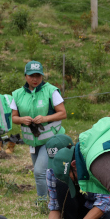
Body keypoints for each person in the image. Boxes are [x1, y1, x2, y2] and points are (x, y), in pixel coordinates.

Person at [40, 134, 110, 219]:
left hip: (105, 207)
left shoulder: (95, 164)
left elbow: (105, 201)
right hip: (81, 205)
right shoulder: (53, 172)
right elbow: (55, 205)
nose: (57, 167)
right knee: (61, 183)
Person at [11, 61, 66, 207]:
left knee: (39, 172)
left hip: (52, 139)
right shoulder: (17, 94)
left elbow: (63, 113)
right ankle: (53, 200)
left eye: (38, 76)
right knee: (45, 173)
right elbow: (13, 117)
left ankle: (43, 202)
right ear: (25, 76)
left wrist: (45, 118)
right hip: (33, 141)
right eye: (31, 76)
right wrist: (22, 119)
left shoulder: (51, 91)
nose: (35, 79)